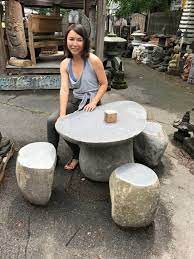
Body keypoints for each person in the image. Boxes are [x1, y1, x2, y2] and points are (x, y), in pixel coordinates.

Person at [47, 24, 108, 170]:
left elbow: (104, 83)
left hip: (92, 102)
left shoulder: (93, 60)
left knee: (77, 126)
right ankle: (51, 156)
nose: (74, 44)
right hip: (76, 100)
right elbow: (64, 90)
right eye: (71, 39)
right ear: (66, 41)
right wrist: (62, 115)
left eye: (79, 40)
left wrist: (94, 102)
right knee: (53, 122)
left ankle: (77, 155)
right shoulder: (65, 64)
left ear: (85, 41)